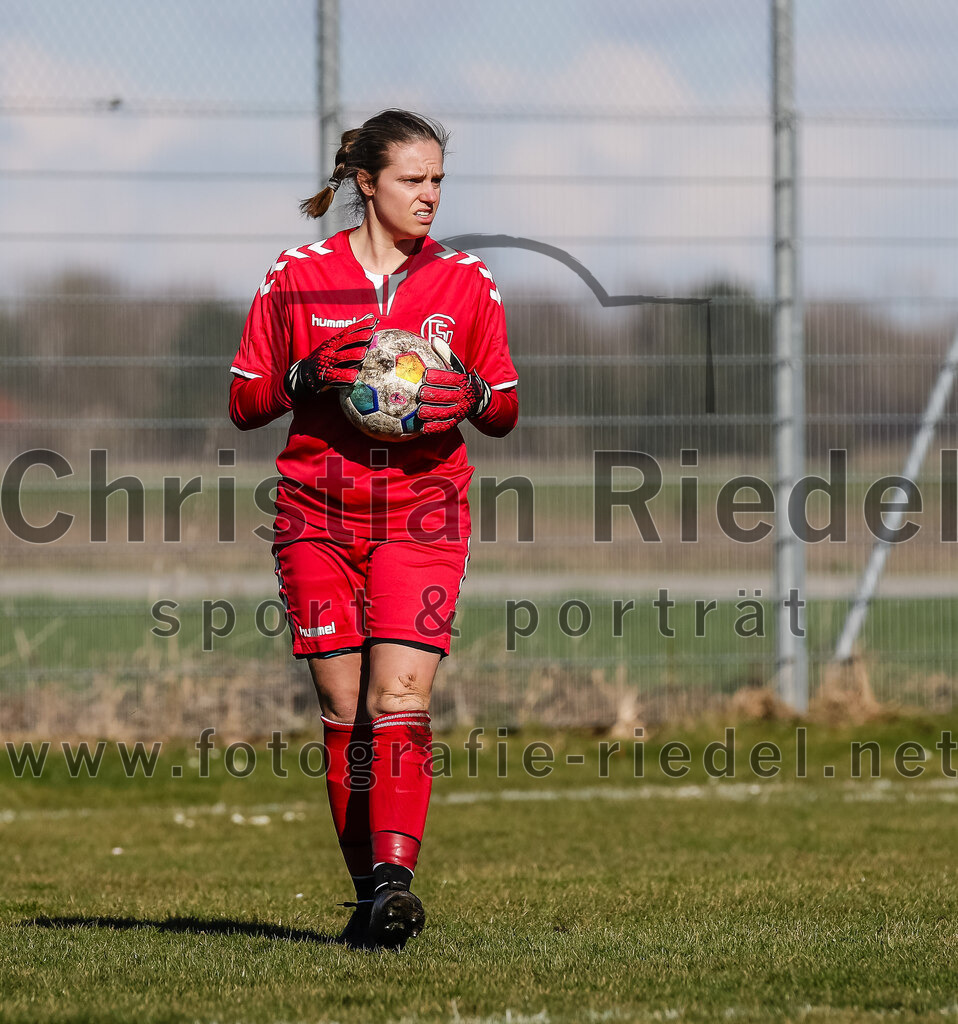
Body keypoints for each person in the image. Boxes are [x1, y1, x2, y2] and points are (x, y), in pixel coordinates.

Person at [228, 109, 518, 950]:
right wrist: (303, 375)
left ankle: (394, 881)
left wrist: (468, 393)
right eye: (412, 181)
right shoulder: (296, 276)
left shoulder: (467, 281)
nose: (429, 197)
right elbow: (245, 402)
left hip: (424, 513)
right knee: (343, 704)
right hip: (315, 513)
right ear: (365, 182)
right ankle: (368, 898)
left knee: (400, 698)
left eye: (437, 182)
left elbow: (502, 407)